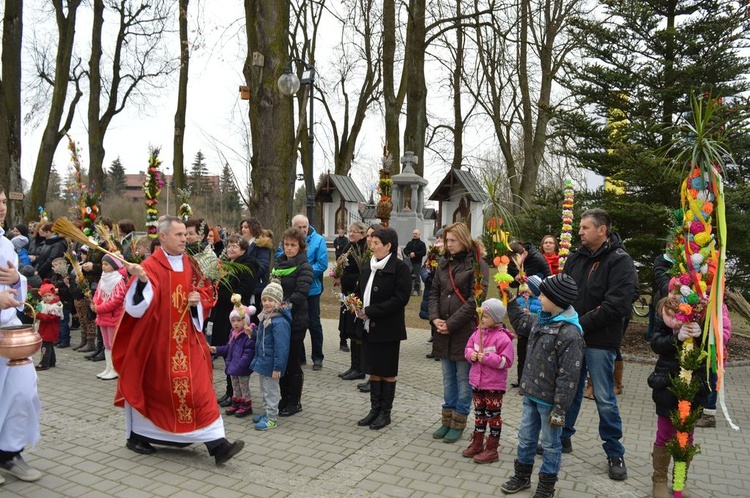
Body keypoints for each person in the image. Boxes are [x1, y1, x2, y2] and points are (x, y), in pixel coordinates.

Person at [113, 216, 244, 465]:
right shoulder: (150, 266)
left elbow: (205, 292)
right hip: (157, 342)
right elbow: (136, 307)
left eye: (185, 234)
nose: (185, 239)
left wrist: (198, 301)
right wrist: (141, 282)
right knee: (154, 391)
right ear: (163, 237)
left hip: (187, 339)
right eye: (179, 235)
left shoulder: (190, 263)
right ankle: (138, 436)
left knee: (200, 388)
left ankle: (218, 444)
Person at [559, 208, 637, 480]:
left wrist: (580, 324)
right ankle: (563, 437)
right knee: (569, 391)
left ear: (602, 230)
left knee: (604, 397)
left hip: (600, 341)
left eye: (585, 228)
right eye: (579, 227)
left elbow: (616, 305)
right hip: (572, 337)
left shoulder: (620, 261)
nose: (579, 232)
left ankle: (614, 451)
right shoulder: (576, 257)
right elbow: (563, 293)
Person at [502, 274, 583, 498]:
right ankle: (522, 476)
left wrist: (560, 409)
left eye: (544, 294)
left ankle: (546, 485)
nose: (540, 296)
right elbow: (521, 323)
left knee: (550, 444)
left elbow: (569, 376)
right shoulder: (543, 318)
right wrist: (510, 300)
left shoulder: (569, 333)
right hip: (531, 394)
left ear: (557, 300)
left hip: (551, 403)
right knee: (526, 438)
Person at [648, 293, 731, 497]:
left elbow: (721, 337)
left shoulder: (711, 309)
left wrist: (703, 333)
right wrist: (677, 336)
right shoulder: (666, 309)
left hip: (695, 386)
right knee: (665, 433)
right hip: (668, 385)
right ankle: (659, 479)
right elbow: (656, 343)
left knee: (687, 435)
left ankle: (680, 480)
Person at [429, 222, 489, 443]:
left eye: (453, 240)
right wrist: (435, 318)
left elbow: (477, 299)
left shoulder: (477, 264)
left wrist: (451, 323)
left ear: (464, 239)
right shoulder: (444, 262)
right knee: (447, 377)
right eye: (447, 241)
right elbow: (434, 291)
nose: (449, 245)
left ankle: (459, 421)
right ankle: (446, 418)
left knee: (463, 378)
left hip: (464, 331)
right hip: (442, 329)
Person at [0, 186, 43, 485]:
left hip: (9, 330)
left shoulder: (5, 245)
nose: (1, 206)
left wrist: (18, 280)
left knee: (23, 391)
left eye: (2, 201)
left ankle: (9, 451)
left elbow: (17, 283)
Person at [355, 227, 411, 430]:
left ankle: (385, 413)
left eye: (376, 242)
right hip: (369, 327)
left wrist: (372, 310)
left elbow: (400, 299)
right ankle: (374, 410)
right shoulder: (369, 266)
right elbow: (361, 289)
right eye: (372, 241)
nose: (372, 245)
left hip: (388, 328)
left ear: (388, 246)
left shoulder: (400, 268)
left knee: (386, 371)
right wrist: (355, 304)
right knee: (374, 371)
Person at [461, 299, 514, 464]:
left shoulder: (503, 338)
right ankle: (477, 442)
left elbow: (507, 361)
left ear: (496, 318)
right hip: (477, 382)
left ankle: (492, 448)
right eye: (481, 315)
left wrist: (487, 358)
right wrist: (472, 355)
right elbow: (468, 349)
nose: (482, 319)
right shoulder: (477, 333)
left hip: (493, 385)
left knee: (493, 416)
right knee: (479, 414)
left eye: (485, 316)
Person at [210, 235, 259, 408]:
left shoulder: (246, 266)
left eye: (235, 246)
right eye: (229, 246)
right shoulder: (226, 265)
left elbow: (242, 292)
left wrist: (218, 295)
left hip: (237, 316)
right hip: (224, 315)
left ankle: (237, 394)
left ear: (243, 249)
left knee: (236, 354)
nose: (231, 249)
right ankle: (230, 391)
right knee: (228, 354)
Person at [271, 228, 313, 417]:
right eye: (286, 244)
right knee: (280, 359)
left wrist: (284, 305)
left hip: (295, 320)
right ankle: (284, 397)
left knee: (292, 361)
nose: (289, 248)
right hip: (278, 319)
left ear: (300, 246)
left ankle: (294, 401)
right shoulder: (279, 264)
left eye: (293, 245)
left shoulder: (304, 267)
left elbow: (301, 293)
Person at [285, 215, 327, 370]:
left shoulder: (318, 240)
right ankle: (299, 356)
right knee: (296, 323)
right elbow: (280, 256)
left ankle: (317, 357)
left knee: (314, 323)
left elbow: (322, 264)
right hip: (294, 290)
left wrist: (303, 273)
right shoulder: (289, 241)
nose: (303, 230)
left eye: (305, 227)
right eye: (299, 227)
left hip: (312, 290)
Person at [250, 282, 291, 430]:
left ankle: (272, 417)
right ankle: (267, 412)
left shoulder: (279, 322)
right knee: (264, 389)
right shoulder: (266, 317)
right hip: (264, 361)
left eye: (271, 300)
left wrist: (278, 367)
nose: (266, 303)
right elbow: (262, 340)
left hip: (272, 364)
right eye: (264, 299)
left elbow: (282, 347)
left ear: (278, 302)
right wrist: (252, 334)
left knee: (271, 391)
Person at [210, 299, 256, 418]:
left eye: (239, 320)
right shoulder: (233, 333)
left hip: (241, 367)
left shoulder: (248, 335)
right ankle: (237, 402)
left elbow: (248, 353)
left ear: (245, 321)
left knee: (243, 386)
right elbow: (228, 348)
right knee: (235, 386)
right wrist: (217, 349)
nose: (236, 324)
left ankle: (246, 405)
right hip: (233, 367)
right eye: (233, 321)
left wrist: (240, 365)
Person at [337, 222, 369, 379]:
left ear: (362, 234)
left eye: (354, 232)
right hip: (348, 294)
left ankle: (360, 368)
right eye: (349, 231)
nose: (351, 234)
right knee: (351, 331)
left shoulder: (364, 249)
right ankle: (353, 366)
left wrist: (349, 279)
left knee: (358, 333)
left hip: (357, 295)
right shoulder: (350, 247)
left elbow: (361, 272)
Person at [90, 254, 127, 380]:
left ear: (114, 266)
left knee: (113, 343)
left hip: (112, 317)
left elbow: (117, 300)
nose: (103, 267)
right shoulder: (103, 278)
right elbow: (97, 293)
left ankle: (115, 368)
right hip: (103, 316)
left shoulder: (118, 280)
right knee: (106, 344)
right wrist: (95, 303)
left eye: (106, 264)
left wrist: (99, 308)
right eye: (103, 264)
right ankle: (108, 367)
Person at [240, 218, 273, 308]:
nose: (243, 229)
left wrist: (246, 275)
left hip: (257, 288)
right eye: (242, 227)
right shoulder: (243, 245)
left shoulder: (262, 245)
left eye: (246, 227)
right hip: (245, 287)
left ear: (253, 228)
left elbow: (263, 266)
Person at [421, 229, 443, 359]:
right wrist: (427, 278)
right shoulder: (432, 254)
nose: (439, 239)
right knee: (433, 317)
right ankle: (435, 349)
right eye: (438, 237)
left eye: (442, 237)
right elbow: (424, 269)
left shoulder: (447, 254)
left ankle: (440, 350)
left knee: (441, 319)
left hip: (442, 291)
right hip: (431, 289)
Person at [35, 280, 63, 370]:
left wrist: (38, 315)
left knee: (45, 347)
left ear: (54, 295)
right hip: (45, 329)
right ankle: (51, 361)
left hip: (50, 329)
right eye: (45, 296)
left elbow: (49, 318)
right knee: (49, 345)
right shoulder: (43, 305)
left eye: (49, 295)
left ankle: (44, 363)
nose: (47, 298)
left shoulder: (55, 307)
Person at [405, 229, 427, 296]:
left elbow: (423, 252)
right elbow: (405, 250)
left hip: (417, 262)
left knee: (417, 277)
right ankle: (409, 290)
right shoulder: (409, 243)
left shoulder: (422, 244)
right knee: (408, 276)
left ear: (419, 234)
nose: (414, 235)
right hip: (409, 262)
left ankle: (416, 290)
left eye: (416, 234)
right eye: (413, 233)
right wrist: (409, 254)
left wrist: (415, 254)